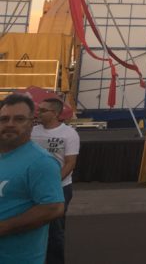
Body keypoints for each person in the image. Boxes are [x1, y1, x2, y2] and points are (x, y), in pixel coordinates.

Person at [0, 94, 65, 264]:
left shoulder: (41, 161)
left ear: (31, 123)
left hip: (16, 258)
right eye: (4, 119)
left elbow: (53, 208)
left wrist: (3, 228)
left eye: (19, 119)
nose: (10, 124)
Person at [31, 97, 79, 264]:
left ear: (55, 113)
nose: (38, 113)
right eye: (38, 110)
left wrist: (51, 184)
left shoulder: (69, 134)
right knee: (31, 227)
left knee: (55, 231)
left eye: (43, 110)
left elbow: (70, 163)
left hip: (59, 188)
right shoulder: (32, 131)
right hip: (33, 188)